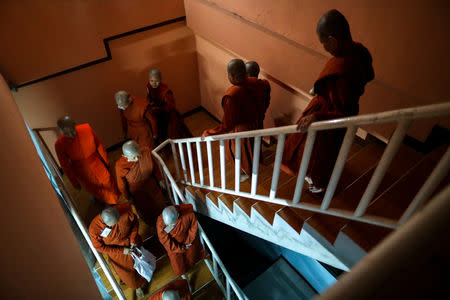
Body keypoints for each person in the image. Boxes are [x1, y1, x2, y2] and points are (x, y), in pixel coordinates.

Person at [281, 9, 374, 193]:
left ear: (332, 40)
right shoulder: (359, 51)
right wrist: (325, 88)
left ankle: (317, 183)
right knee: (319, 151)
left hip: (327, 117)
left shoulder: (342, 69)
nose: (325, 48)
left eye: (324, 44)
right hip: (329, 106)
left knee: (318, 153)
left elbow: (342, 110)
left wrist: (317, 116)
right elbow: (366, 76)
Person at [202, 59, 262, 182]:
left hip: (241, 128)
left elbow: (228, 125)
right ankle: (252, 167)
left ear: (231, 76)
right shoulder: (257, 83)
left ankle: (249, 172)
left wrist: (209, 133)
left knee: (239, 152)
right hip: (255, 122)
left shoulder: (232, 95)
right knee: (252, 147)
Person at [55, 116, 120, 204]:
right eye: (67, 133)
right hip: (81, 170)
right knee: (92, 186)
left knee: (107, 181)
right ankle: (102, 199)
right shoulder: (59, 144)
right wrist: (74, 181)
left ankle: (112, 200)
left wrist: (106, 162)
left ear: (75, 124)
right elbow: (65, 164)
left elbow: (99, 145)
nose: (71, 135)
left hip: (96, 162)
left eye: (72, 130)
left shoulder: (86, 129)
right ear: (61, 131)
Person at [89, 204, 147, 298]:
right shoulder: (94, 229)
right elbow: (100, 247)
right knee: (128, 274)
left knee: (142, 263)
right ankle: (136, 287)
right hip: (118, 253)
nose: (116, 225)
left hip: (133, 243)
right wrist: (122, 250)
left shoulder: (125, 209)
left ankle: (144, 278)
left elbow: (135, 223)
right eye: (113, 225)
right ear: (104, 221)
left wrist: (132, 239)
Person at [115, 140, 167, 226]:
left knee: (160, 203)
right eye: (133, 157)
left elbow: (155, 166)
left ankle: (165, 220)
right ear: (124, 156)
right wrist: (128, 197)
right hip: (137, 191)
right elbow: (122, 185)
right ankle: (153, 225)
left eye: (138, 155)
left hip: (151, 184)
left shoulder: (146, 151)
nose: (137, 159)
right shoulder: (120, 166)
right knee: (146, 210)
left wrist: (160, 179)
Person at [156, 205, 206, 292]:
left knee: (192, 256)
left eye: (171, 224)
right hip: (174, 248)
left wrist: (188, 242)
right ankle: (185, 279)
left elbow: (193, 227)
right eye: (168, 224)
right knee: (179, 266)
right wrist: (180, 248)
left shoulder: (188, 212)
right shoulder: (161, 223)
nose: (170, 226)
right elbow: (165, 240)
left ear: (178, 215)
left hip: (188, 241)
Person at [146, 69, 191, 143]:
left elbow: (171, 107)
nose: (154, 83)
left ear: (160, 79)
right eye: (151, 81)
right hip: (157, 114)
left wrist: (156, 108)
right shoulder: (148, 86)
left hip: (168, 115)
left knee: (172, 134)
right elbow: (149, 97)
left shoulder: (166, 92)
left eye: (156, 81)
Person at [245, 61, 271, 129]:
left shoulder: (244, 87)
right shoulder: (265, 84)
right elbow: (267, 102)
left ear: (247, 74)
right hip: (259, 121)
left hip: (247, 125)